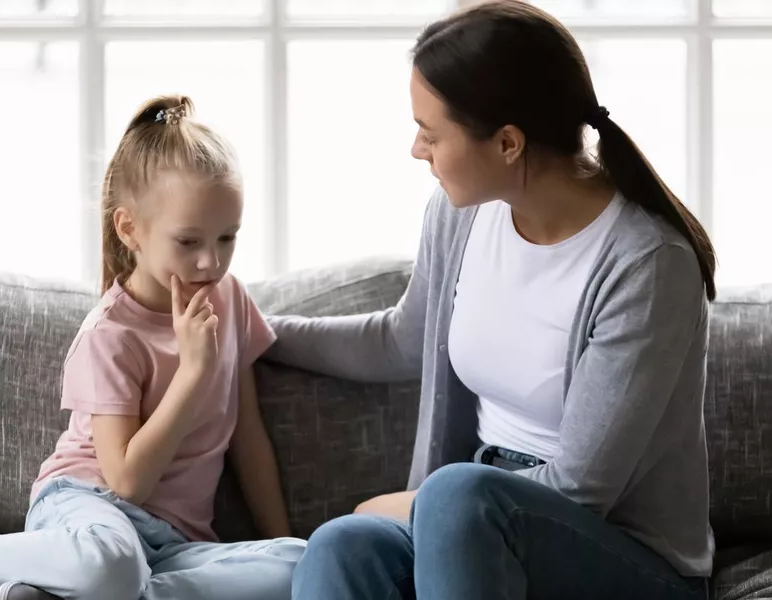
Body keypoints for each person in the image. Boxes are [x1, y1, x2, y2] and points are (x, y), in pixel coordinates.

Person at [263, 2, 716, 599]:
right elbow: (403, 340)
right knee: (341, 547)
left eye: (430, 133)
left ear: (507, 142)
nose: (415, 149)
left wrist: (419, 503)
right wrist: (255, 329)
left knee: (456, 495)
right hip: (475, 521)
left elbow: (582, 489)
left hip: (626, 558)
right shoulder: (461, 218)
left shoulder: (645, 264)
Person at [0, 96, 306, 600]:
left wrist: (278, 534)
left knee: (303, 561)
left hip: (172, 545)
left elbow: (248, 436)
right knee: (112, 565)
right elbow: (127, 481)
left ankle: (74, 595)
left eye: (227, 238)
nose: (209, 263)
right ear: (130, 228)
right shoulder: (109, 335)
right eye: (188, 242)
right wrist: (194, 373)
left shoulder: (230, 298)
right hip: (88, 510)